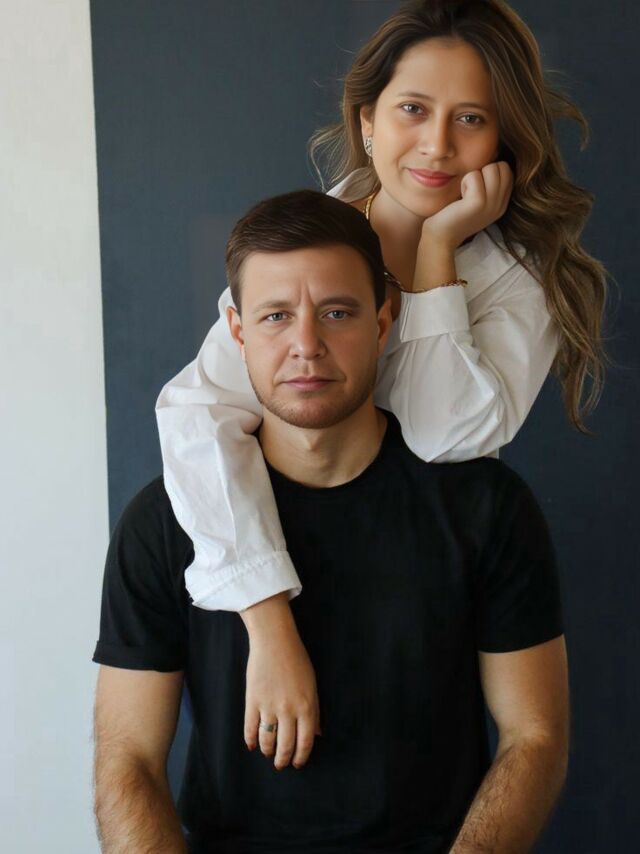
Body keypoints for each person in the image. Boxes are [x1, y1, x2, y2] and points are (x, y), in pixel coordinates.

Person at [155, 0, 606, 769]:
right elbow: (197, 413)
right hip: (272, 567)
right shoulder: (304, 241)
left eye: (471, 119)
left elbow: (439, 435)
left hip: (419, 586)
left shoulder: (521, 281)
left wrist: (437, 250)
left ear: (503, 137)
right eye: (412, 109)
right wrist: (268, 623)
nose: (438, 145)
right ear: (367, 121)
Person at [93, 190, 569, 854]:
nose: (306, 346)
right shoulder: (163, 521)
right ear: (237, 332)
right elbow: (128, 759)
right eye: (276, 317)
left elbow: (536, 735)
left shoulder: (487, 507)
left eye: (337, 313)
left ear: (383, 321)